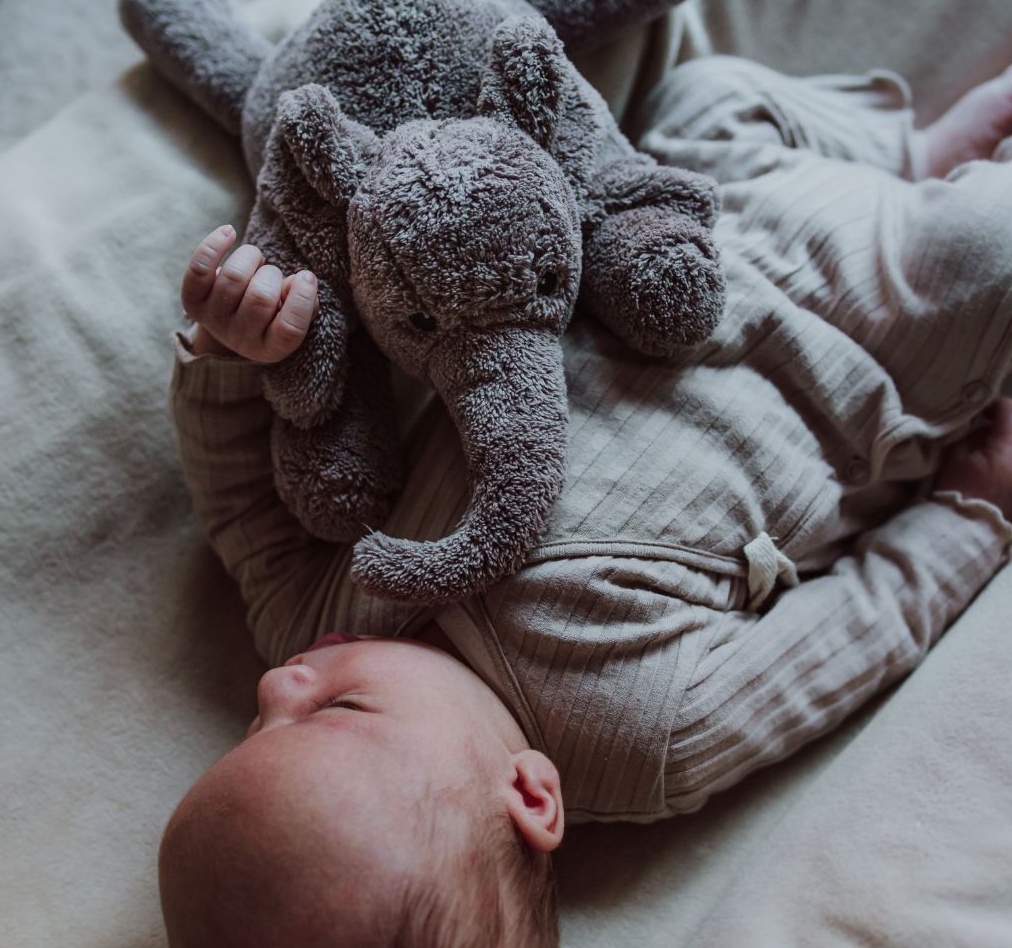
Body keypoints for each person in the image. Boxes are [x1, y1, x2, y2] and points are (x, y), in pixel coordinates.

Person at [158, 56, 1012, 948]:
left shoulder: (319, 619)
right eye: (334, 714)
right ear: (530, 794)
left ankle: (907, 146)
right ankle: (923, 178)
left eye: (252, 727)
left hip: (642, 237)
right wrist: (972, 511)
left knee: (705, 91)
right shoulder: (648, 735)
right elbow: (860, 629)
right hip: (846, 343)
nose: (275, 681)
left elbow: (245, 510)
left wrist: (233, 352)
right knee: (989, 246)